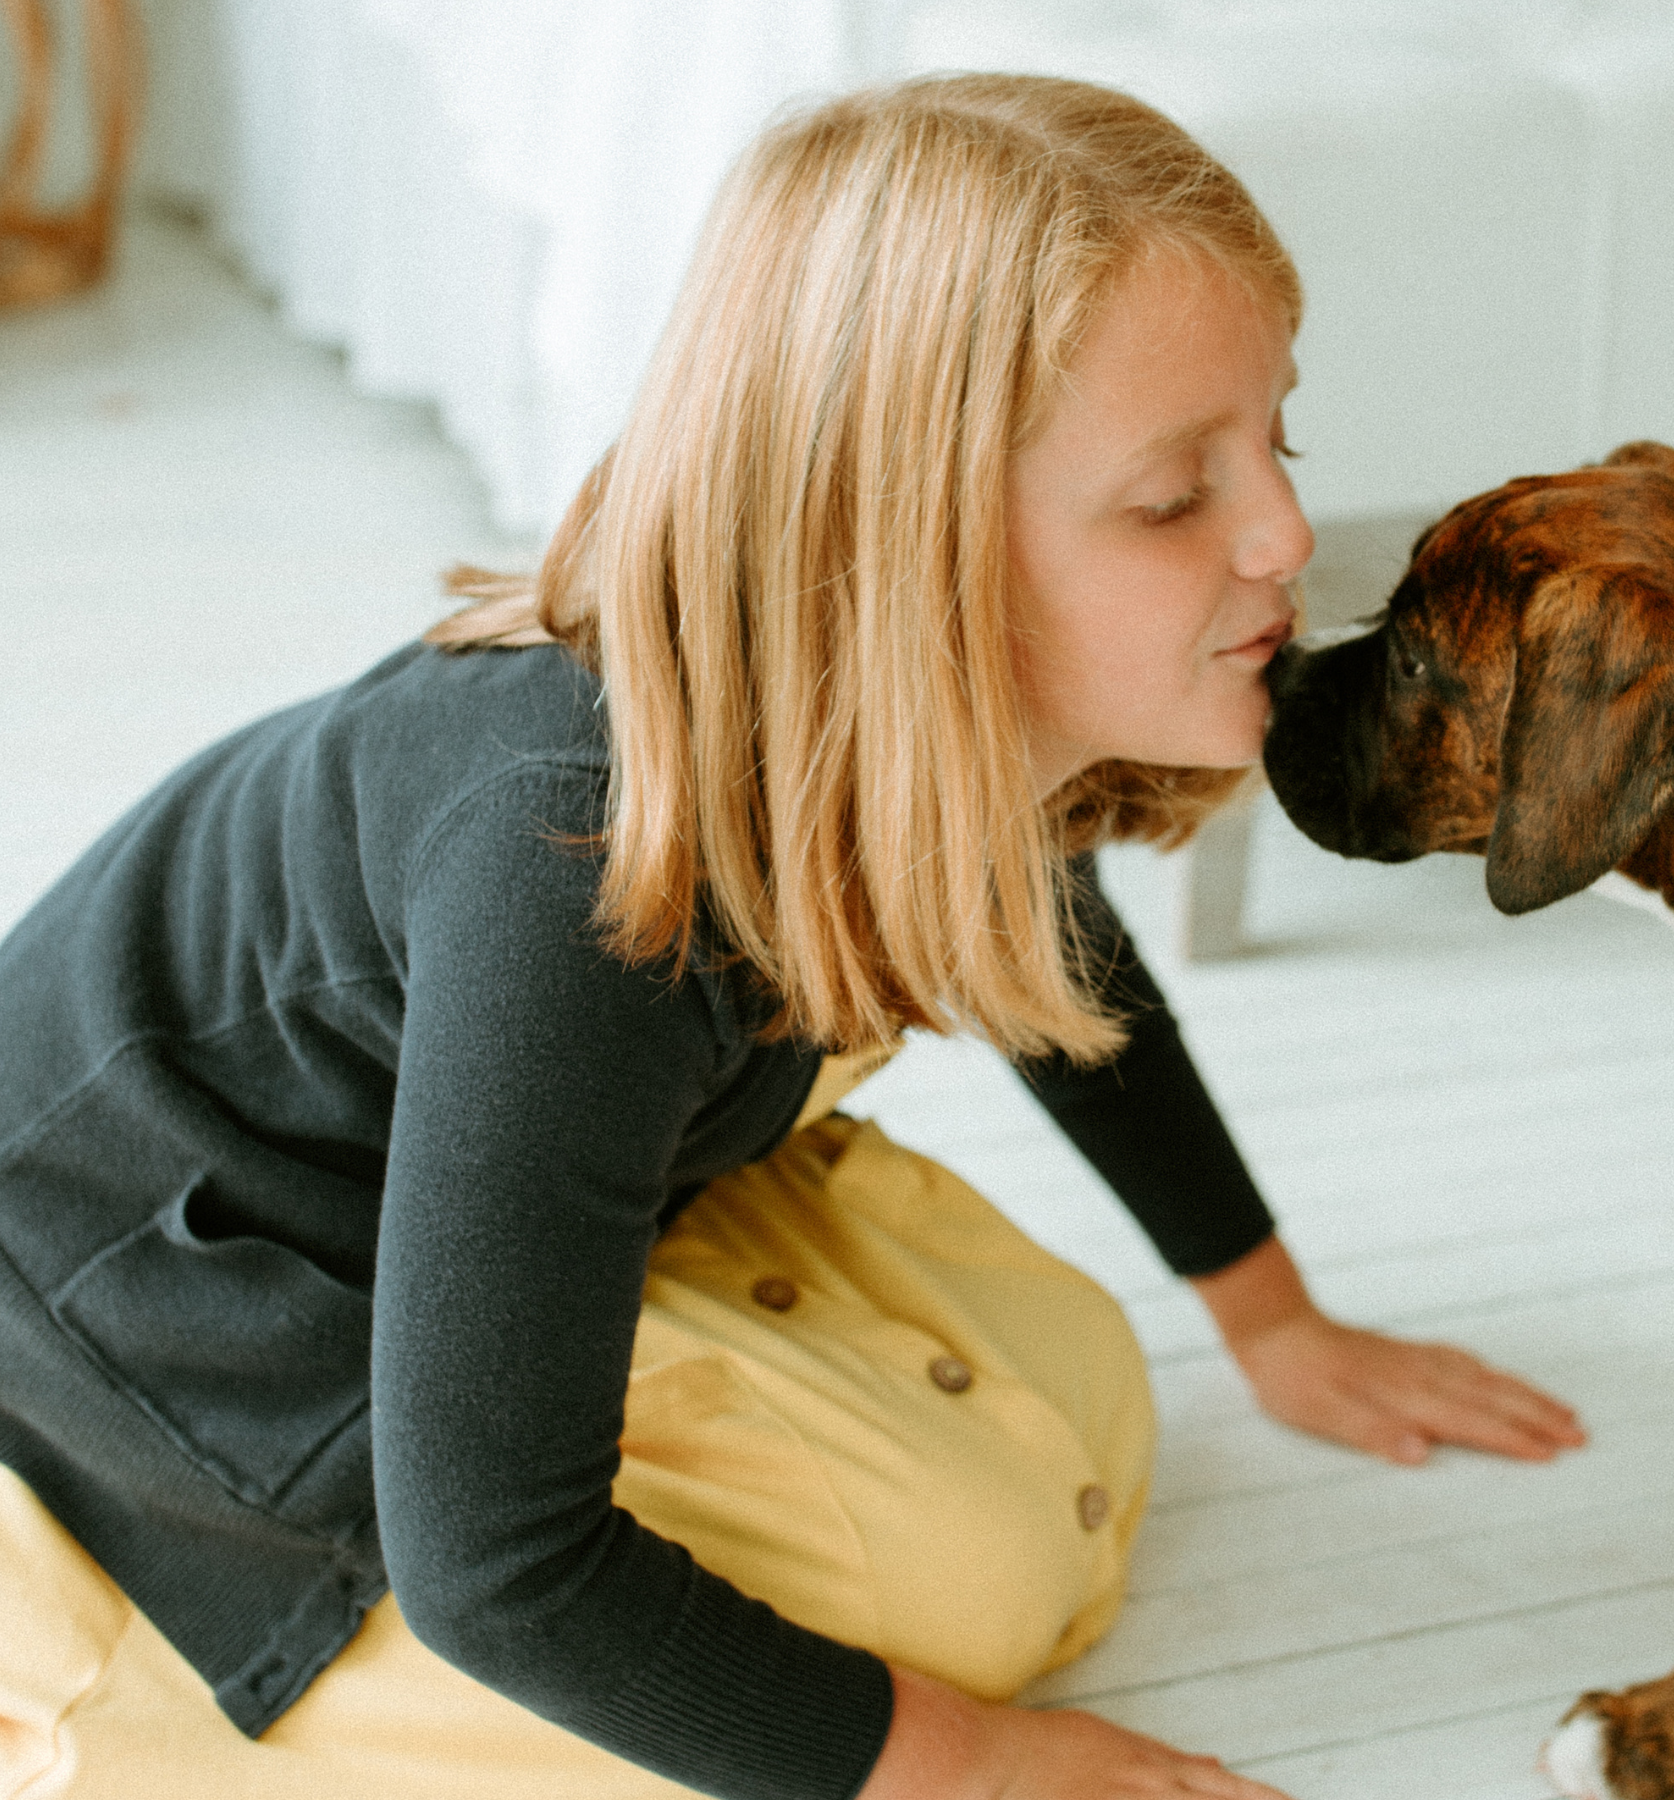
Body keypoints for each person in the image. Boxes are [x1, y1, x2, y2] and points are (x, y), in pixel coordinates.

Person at [0, 73, 1583, 1800]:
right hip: (143, 1315)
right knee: (966, 1581)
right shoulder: (576, 873)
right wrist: (964, 1762)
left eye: (1279, 438)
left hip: (433, 1193)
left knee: (1074, 1408)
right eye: (1168, 498)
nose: (1282, 532)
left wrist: (1277, 1323)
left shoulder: (912, 716)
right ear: (907, 553)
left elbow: (1076, 982)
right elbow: (500, 1573)